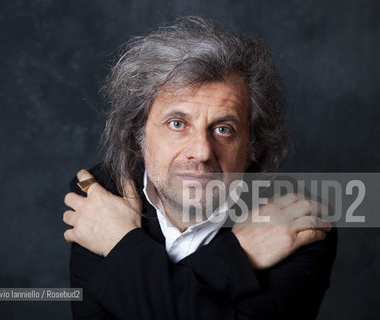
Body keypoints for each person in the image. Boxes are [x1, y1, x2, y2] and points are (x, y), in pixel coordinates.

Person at [62, 16, 337, 320]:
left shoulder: (299, 223)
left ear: (251, 145)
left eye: (224, 129)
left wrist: (120, 244)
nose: (202, 151)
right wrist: (239, 254)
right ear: (137, 136)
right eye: (177, 124)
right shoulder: (101, 195)